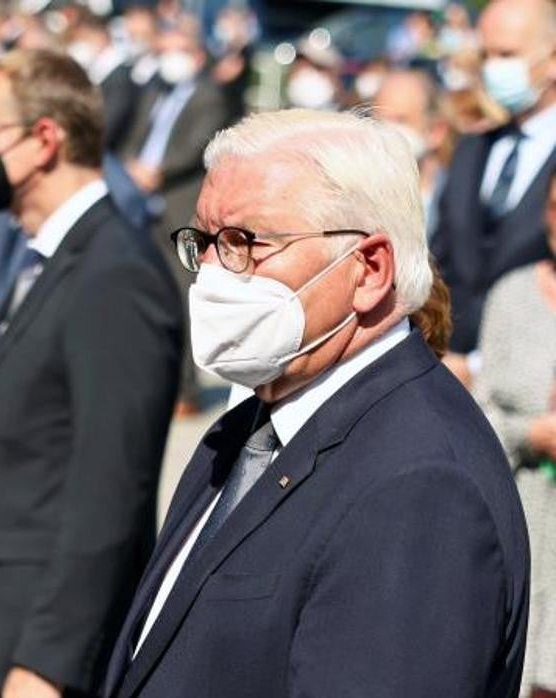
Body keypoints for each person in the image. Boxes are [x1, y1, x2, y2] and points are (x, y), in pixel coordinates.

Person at [101, 108, 529, 698]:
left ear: (369, 270)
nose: (213, 275)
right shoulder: (253, 424)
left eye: (245, 242)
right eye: (204, 241)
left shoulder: (419, 485)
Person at [0, 49, 183, 698]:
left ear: (44, 139)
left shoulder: (114, 277)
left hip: (36, 657)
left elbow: (109, 490)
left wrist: (48, 665)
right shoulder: (42, 257)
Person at [433, 0, 556, 387]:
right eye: (485, 54)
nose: (492, 68)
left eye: (507, 55)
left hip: (530, 386)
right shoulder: (473, 147)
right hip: (446, 376)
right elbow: (441, 259)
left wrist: (480, 367)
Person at [117, 22, 233, 415]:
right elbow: (134, 137)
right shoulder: (155, 93)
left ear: (197, 56)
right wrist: (131, 168)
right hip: (142, 205)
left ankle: (186, 389)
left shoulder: (209, 95)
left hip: (179, 207)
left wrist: (157, 171)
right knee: (146, 296)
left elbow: (197, 144)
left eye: (177, 49)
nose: (169, 57)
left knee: (182, 298)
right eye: (163, 48)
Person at [476, 171, 556, 698]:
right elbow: (475, 420)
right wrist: (535, 434)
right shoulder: (511, 295)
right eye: (553, 206)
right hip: (526, 520)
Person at [374, 69, 456, 240]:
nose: (388, 132)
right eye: (380, 121)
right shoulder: (360, 200)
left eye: (401, 120)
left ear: (436, 131)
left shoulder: (460, 196)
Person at [66, 15, 138, 152]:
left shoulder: (120, 76)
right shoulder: (97, 72)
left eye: (84, 39)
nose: (81, 45)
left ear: (101, 36)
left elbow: (112, 122)